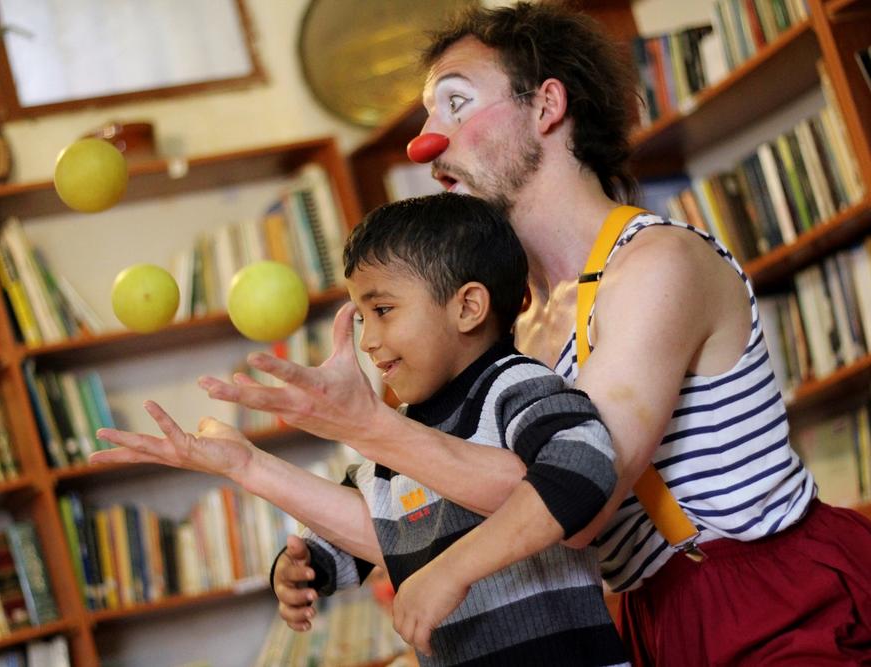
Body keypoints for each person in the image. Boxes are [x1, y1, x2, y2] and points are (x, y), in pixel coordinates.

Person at [97, 2, 871, 665]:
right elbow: (440, 507)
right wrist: (261, 469)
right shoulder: (520, 327)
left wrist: (369, 428)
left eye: (457, 104)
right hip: (650, 614)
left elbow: (582, 494)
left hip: (772, 595)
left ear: (547, 107)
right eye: (428, 116)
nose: (425, 143)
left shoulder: (655, 263)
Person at [94, 193, 630, 666]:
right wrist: (305, 565)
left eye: (383, 310)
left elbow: (583, 466)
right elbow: (365, 529)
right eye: (360, 318)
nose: (369, 340)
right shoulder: (405, 428)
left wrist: (452, 571)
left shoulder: (513, 385)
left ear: (468, 306)